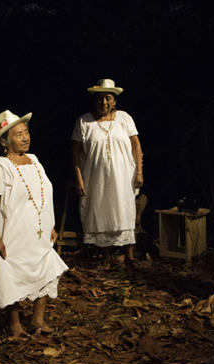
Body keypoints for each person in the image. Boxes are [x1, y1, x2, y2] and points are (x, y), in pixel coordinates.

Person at [0, 110, 68, 338]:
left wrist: (50, 225)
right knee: (13, 274)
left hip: (38, 231)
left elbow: (44, 195)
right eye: (18, 134)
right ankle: (15, 323)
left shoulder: (35, 161)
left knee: (46, 269)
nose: (25, 137)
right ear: (5, 141)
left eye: (26, 132)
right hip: (14, 232)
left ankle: (38, 320)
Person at [72, 78, 144, 265]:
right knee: (100, 209)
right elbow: (75, 152)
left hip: (122, 176)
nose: (103, 102)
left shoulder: (124, 118)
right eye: (100, 98)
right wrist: (78, 177)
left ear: (114, 101)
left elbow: (136, 145)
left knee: (123, 209)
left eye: (108, 98)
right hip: (95, 177)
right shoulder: (84, 121)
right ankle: (106, 255)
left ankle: (129, 255)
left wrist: (139, 171)